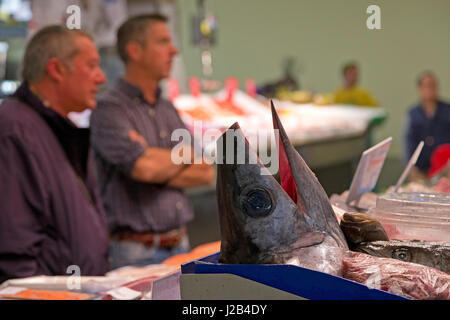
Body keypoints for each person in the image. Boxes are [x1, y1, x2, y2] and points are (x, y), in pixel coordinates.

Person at [90, 14, 215, 270]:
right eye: (162, 42)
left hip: (181, 245)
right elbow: (143, 168)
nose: (174, 50)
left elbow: (205, 172)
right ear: (135, 50)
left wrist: (154, 159)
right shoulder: (109, 109)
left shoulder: (167, 108)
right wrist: (182, 157)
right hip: (134, 254)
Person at [0, 26, 109, 282]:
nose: (101, 77)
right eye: (92, 66)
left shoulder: (54, 127)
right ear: (57, 69)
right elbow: (15, 250)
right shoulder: (15, 130)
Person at [404, 71, 450, 182]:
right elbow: (407, 143)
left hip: (445, 169)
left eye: (433, 85)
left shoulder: (447, 110)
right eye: (426, 86)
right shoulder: (413, 114)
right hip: (420, 169)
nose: (430, 89)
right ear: (420, 89)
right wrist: (412, 169)